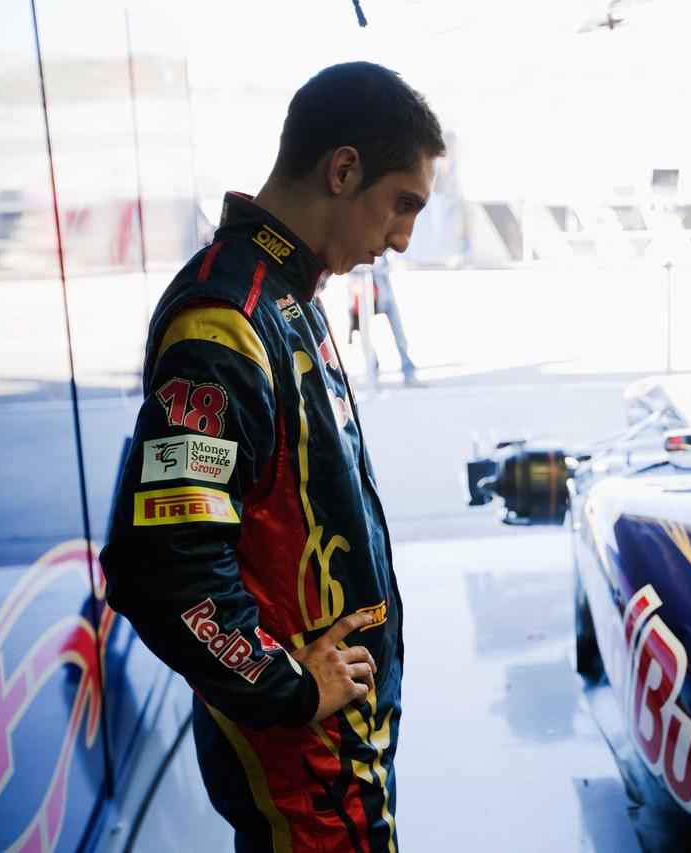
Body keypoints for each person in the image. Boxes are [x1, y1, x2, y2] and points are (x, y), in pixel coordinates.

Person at [100, 62, 444, 851]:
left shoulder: (286, 296)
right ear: (343, 169)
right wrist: (286, 686)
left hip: (335, 747)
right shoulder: (227, 321)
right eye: (403, 204)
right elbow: (163, 565)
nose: (401, 238)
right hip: (302, 761)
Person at [349, 255, 423, 386]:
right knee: (364, 333)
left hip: (382, 282)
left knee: (398, 330)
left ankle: (408, 372)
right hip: (361, 282)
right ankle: (373, 372)